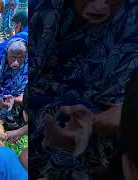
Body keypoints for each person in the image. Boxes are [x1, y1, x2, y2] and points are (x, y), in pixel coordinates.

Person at [26, 0, 138, 179]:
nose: (101, 5)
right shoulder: (43, 10)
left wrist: (94, 123)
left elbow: (127, 111)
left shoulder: (131, 18)